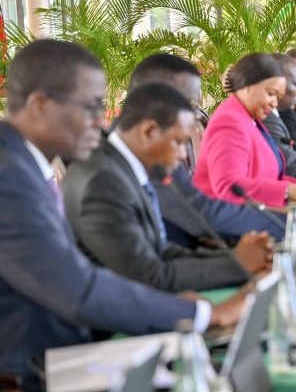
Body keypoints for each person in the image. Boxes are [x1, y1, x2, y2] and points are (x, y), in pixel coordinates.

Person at [0, 40, 244, 392]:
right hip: (32, 376)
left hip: (68, 352)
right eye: (91, 107)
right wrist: (205, 315)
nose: (101, 120)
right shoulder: (9, 176)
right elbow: (77, 288)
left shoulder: (22, 164)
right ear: (40, 105)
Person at [62, 83, 272, 293]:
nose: (183, 154)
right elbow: (148, 275)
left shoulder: (120, 166)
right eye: (178, 142)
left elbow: (159, 251)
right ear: (149, 131)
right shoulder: (104, 181)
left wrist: (235, 258)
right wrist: (238, 265)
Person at [129, 54, 286, 246]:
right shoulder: (113, 170)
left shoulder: (161, 156)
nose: (195, 117)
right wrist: (291, 221)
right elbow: (203, 216)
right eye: (190, 106)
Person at [192, 53, 296, 208]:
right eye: (271, 94)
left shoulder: (250, 118)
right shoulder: (229, 122)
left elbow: (264, 176)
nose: (275, 103)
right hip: (231, 219)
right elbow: (229, 187)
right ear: (247, 86)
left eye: (278, 97)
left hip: (256, 210)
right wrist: (291, 190)